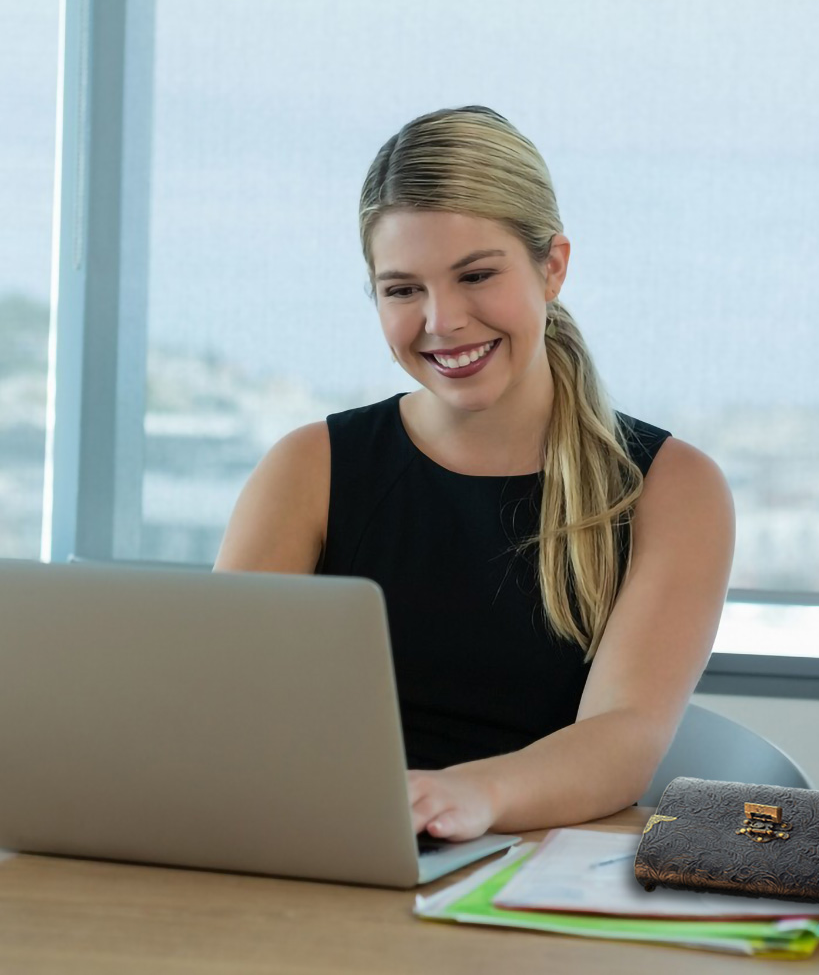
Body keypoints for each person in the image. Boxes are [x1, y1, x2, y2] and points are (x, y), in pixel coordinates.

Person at [215, 106, 734, 843]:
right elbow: (221, 706)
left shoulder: (673, 489)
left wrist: (465, 795)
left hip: (537, 877)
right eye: (402, 290)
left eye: (477, 275)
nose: (442, 319)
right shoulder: (308, 467)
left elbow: (623, 738)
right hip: (335, 853)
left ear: (552, 267)